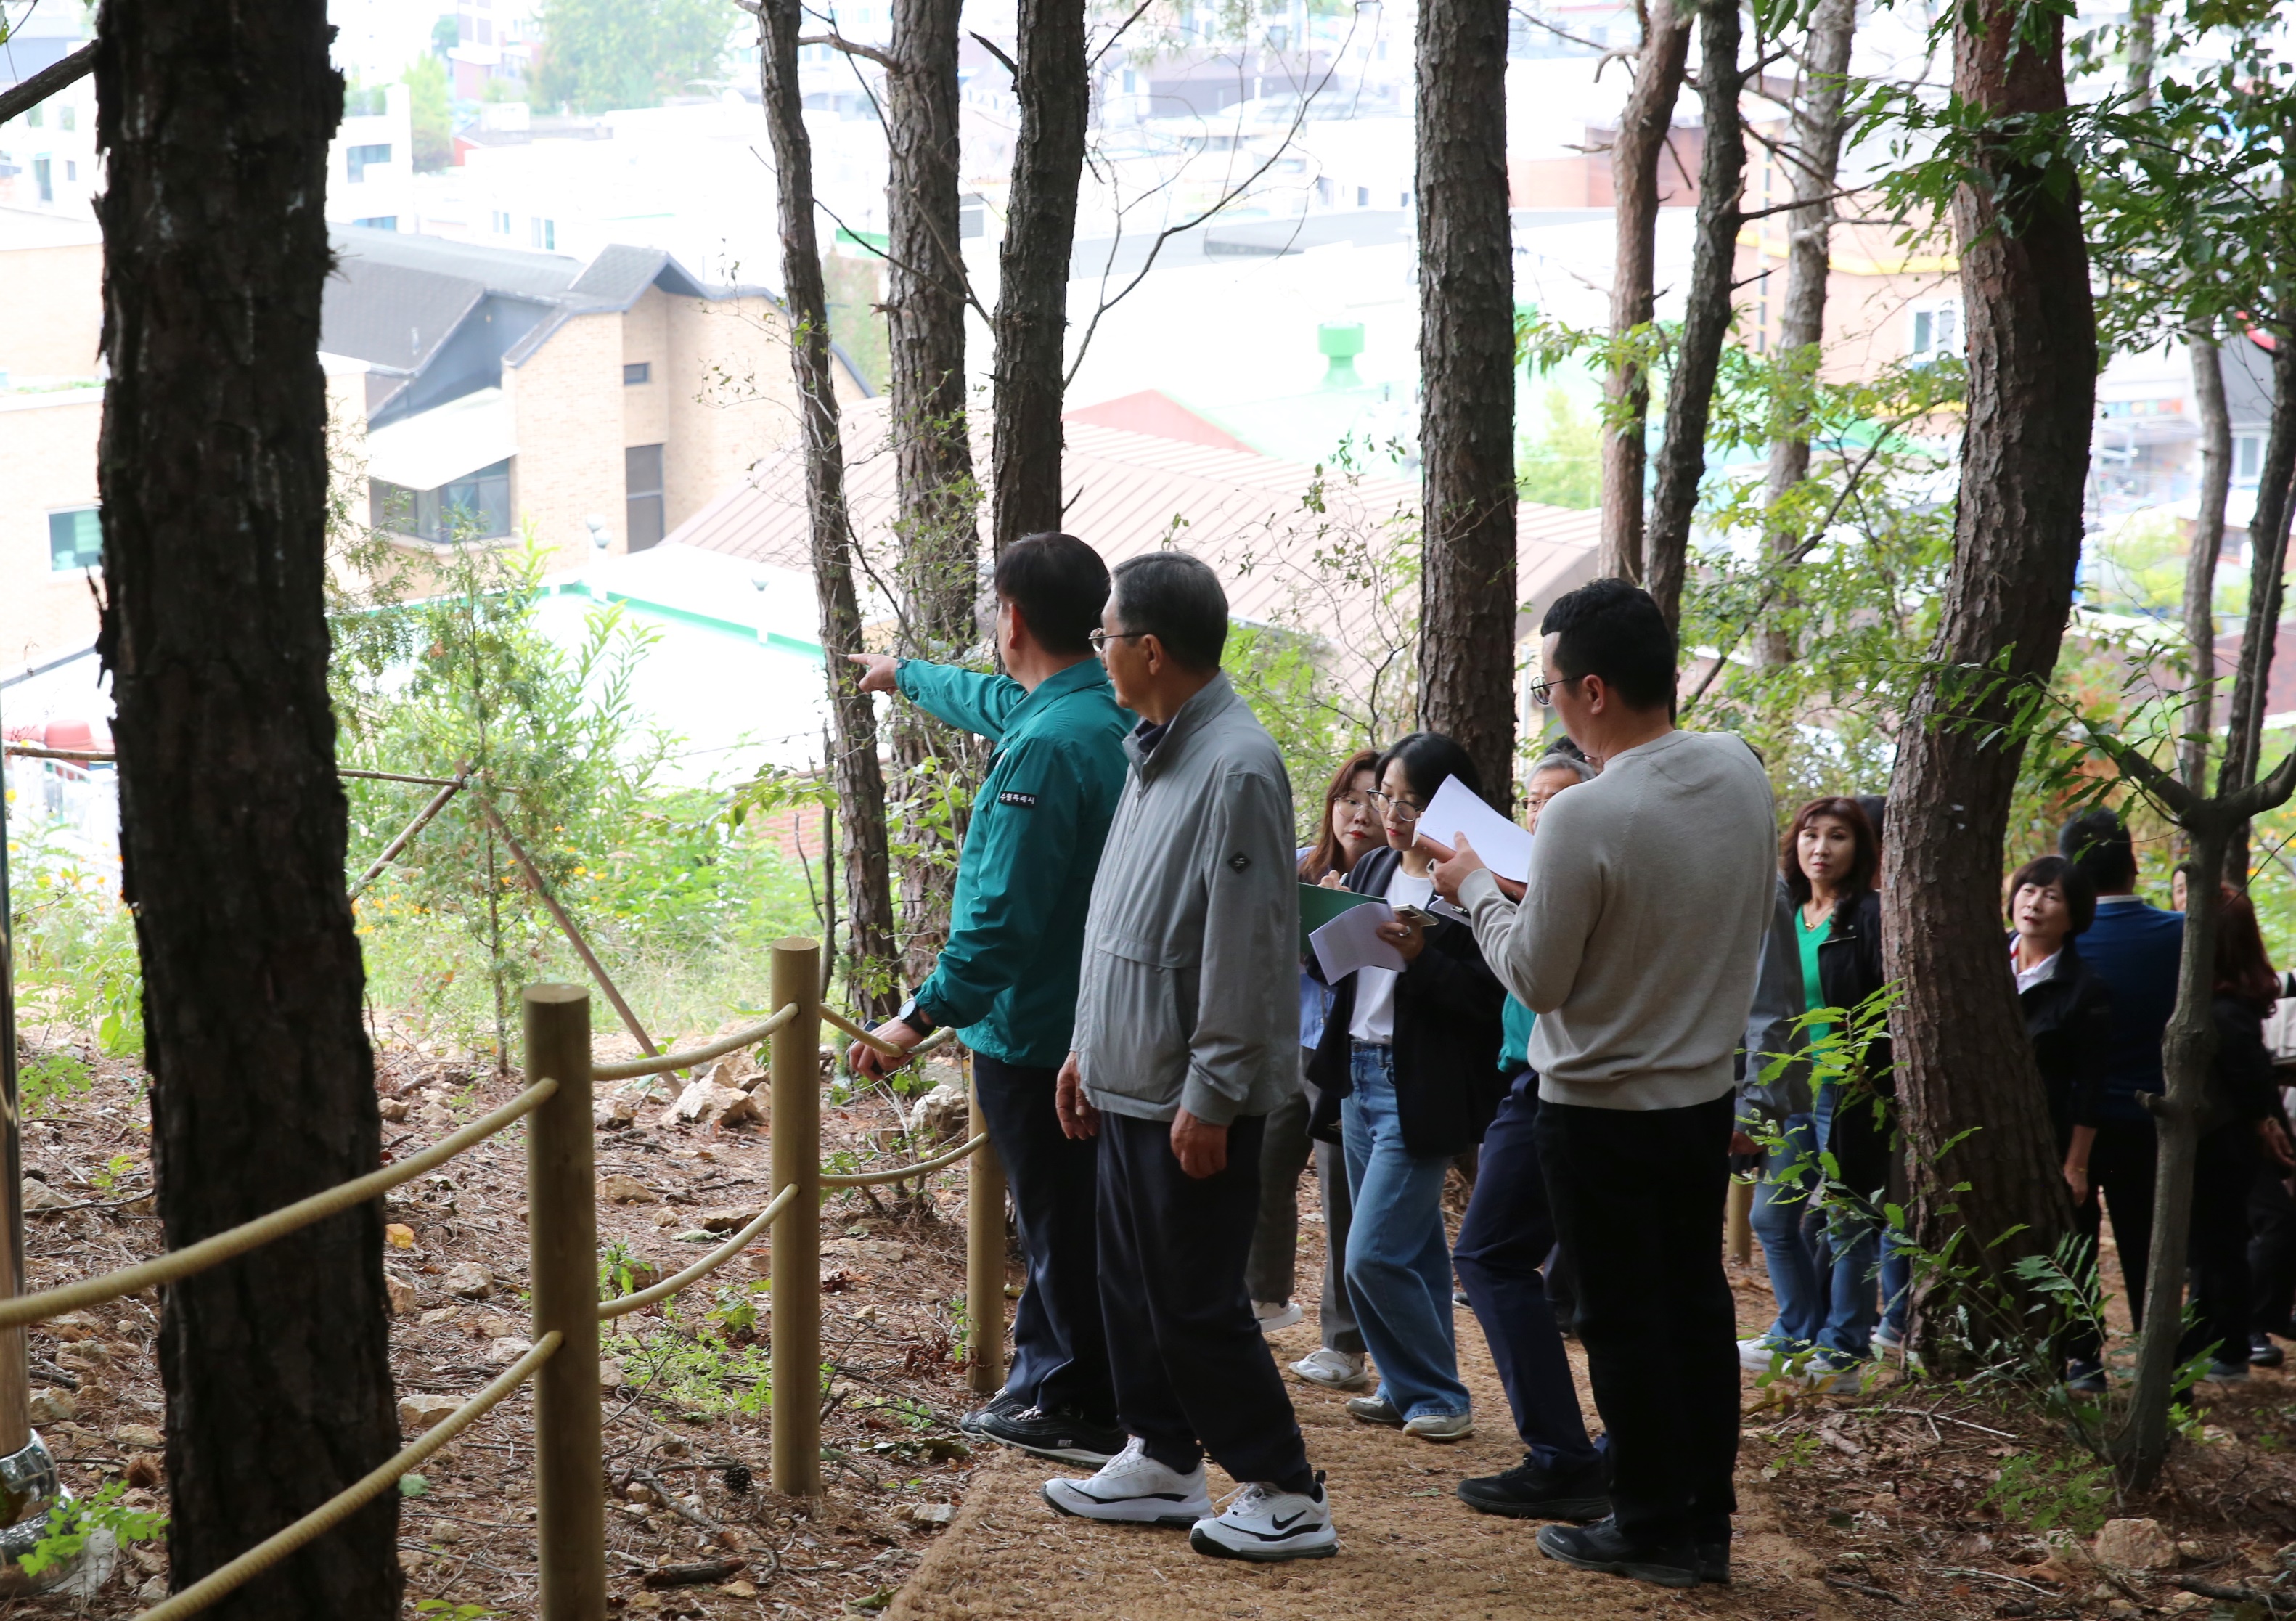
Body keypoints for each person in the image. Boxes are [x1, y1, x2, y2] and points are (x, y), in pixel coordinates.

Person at [1432, 577, 1776, 1590]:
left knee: (1622, 1320)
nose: (1548, 711)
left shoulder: (1585, 815)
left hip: (1596, 1106)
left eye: (1546, 691)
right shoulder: (1737, 775)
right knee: (1692, 1308)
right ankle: (1698, 1512)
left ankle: (1645, 1521)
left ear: (1589, 689)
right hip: (1698, 1094)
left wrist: (1472, 895)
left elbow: (1538, 979)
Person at [1043, 551, 1335, 1563]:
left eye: (1105, 638)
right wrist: (1086, 1042)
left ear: (1150, 650)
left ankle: (1286, 1489)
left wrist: (1212, 1091)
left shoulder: (1236, 763)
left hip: (1185, 1090)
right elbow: (1119, 918)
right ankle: (1162, 1457)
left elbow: (1247, 945)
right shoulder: (1155, 747)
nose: (1101, 655)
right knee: (1130, 1284)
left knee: (1193, 1301)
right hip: (1127, 1072)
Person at [843, 533, 1133, 1464]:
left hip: (1041, 1031)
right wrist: (904, 675)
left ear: (1010, 617)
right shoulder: (1110, 709)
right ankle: (1057, 1382)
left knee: (1059, 1222)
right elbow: (996, 699)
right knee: (1079, 1217)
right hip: (1110, 1018)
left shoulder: (1044, 751)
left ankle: (1080, 1401)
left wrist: (916, 1017)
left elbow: (998, 924)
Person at [1305, 732, 1508, 1444]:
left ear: (1451, 803)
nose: (1391, 812)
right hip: (1359, 1072)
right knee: (1415, 1248)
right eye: (1383, 795)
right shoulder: (1374, 868)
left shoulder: (1475, 880)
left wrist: (1422, 956)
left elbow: (1489, 999)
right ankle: (1405, 1384)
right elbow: (1339, 973)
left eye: (1409, 800)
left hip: (1419, 1086)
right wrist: (1320, 923)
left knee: (1371, 1253)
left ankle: (1439, 1394)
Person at [1447, 750, 1607, 1520]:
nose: (1542, 812)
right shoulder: (1529, 884)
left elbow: (1542, 976)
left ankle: (1562, 1455)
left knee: (1486, 1255)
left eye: (1559, 799)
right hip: (1524, 1077)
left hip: (1556, 1083)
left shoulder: (1577, 883)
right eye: (1534, 799)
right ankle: (1590, 1452)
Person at [1735, 798, 1890, 1392]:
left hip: (1849, 1087)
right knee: (1771, 1218)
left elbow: (1889, 1004)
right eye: (1810, 834)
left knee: (1851, 1219)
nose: (1820, 847)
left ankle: (1844, 1351)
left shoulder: (1868, 916)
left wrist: (1871, 1072)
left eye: (1838, 836)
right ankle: (1797, 1330)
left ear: (1859, 849)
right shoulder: (1780, 911)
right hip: (1787, 1088)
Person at [1251, 748, 1381, 1388]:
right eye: (1347, 798)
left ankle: (1344, 1345)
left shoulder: (1402, 880)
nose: (1358, 813)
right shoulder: (1300, 866)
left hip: (1354, 1052)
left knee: (1342, 1194)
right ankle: (1263, 1299)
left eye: (1375, 799)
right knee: (1259, 1166)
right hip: (1289, 1041)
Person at [2058, 809, 2178, 1383]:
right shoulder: (2179, 935)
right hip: (2147, 1116)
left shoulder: (2056, 943)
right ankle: (2162, 1363)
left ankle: (2082, 1358)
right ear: (2134, 865)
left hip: (2065, 1122)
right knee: (2146, 1244)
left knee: (2072, 1240)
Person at [2002, 854, 2115, 1387]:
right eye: (2028, 889)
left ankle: (2081, 1352)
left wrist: (2076, 1163)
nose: (2034, 902)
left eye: (2051, 895)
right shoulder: (1979, 965)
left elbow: (2092, 1084)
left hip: (2049, 1135)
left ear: (2074, 914)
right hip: (1983, 1132)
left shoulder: (2083, 988)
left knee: (2068, 1243)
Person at [2181, 888, 2296, 1382]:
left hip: (2229, 1137)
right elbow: (2249, 1078)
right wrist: (2263, 1122)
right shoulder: (2222, 1006)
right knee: (2231, 1240)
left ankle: (2233, 1338)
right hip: (2224, 1138)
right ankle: (2234, 1336)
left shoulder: (2227, 1000)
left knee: (2223, 1242)